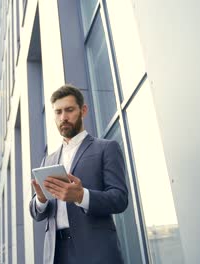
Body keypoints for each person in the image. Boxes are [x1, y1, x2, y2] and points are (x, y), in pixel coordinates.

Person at [29, 84, 129, 264]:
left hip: (95, 251)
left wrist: (82, 196)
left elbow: (120, 198)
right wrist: (41, 200)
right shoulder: (48, 161)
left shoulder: (106, 148)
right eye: (58, 112)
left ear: (83, 110)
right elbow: (38, 214)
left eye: (69, 110)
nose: (63, 117)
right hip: (56, 254)